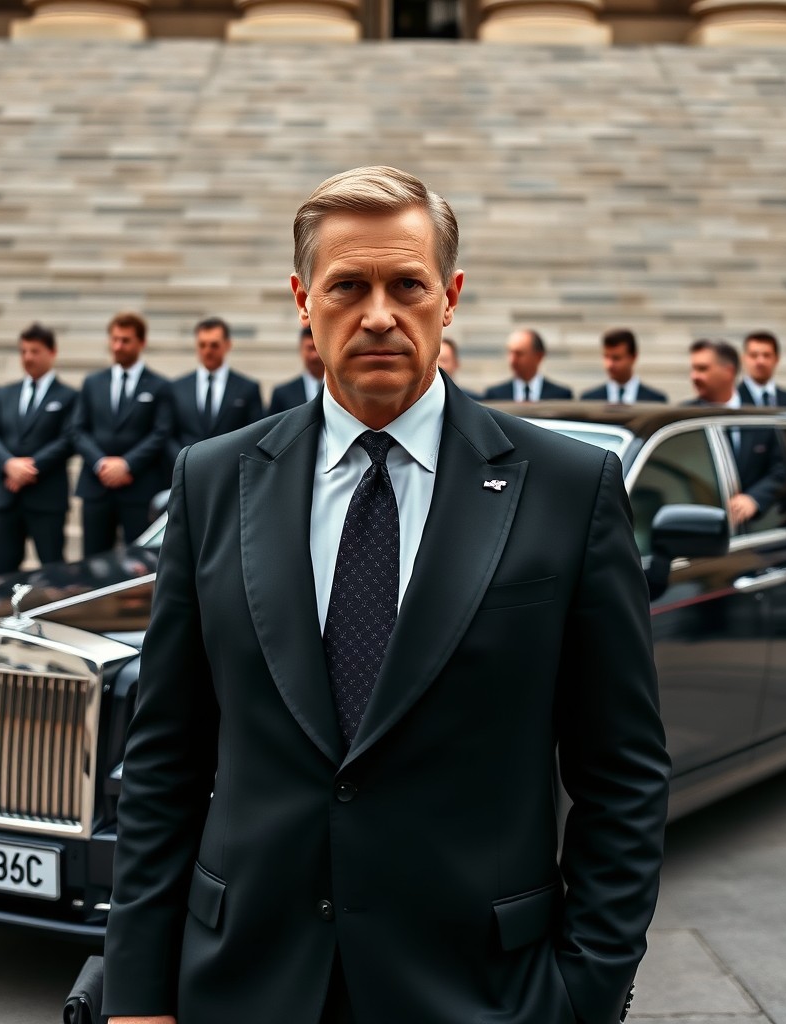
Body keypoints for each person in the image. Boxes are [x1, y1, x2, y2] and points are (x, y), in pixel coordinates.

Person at [103, 166, 670, 1024]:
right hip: (245, 982)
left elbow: (623, 773)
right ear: (303, 299)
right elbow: (164, 761)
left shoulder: (567, 486)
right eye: (347, 286)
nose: (378, 314)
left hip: (483, 993)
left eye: (407, 284)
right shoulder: (213, 480)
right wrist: (137, 996)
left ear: (450, 298)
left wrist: (582, 997)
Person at [685, 338, 786, 525]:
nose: (694, 376)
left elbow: (785, 468)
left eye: (702, 369)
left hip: (757, 530)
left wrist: (754, 499)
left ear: (728, 371)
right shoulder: (684, 420)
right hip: (696, 527)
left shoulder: (760, 418)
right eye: (693, 369)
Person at [71, 312, 173, 557]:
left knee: (139, 562)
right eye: (114, 339)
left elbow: (161, 432)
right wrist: (101, 463)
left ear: (141, 342)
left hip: (138, 488)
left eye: (125, 340)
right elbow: (77, 430)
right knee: (93, 561)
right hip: (97, 486)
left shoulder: (159, 386)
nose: (118, 346)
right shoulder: (92, 383)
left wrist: (127, 465)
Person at [0, 323, 78, 573]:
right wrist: (9, 464)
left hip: (46, 496)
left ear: (52, 352)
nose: (28, 357)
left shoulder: (69, 396)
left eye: (34, 351)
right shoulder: (4, 394)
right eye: (23, 351)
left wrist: (29, 468)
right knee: (1, 571)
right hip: (4, 496)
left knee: (53, 569)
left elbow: (69, 439)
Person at [166, 317, 265, 464]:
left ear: (227, 345)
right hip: (187, 472)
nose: (207, 351)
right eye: (202, 345)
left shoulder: (247, 388)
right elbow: (167, 434)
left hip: (230, 471)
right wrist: (183, 462)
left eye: (214, 345)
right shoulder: (177, 388)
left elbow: (256, 433)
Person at [482, 328, 572, 402]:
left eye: (519, 354)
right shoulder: (495, 396)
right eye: (510, 353)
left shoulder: (560, 396)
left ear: (538, 356)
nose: (512, 360)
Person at [579, 329, 667, 403]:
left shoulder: (655, 400)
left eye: (616, 358)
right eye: (606, 357)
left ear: (633, 357)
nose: (609, 364)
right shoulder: (589, 399)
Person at [737, 331, 786, 408]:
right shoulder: (733, 399)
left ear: (777, 359)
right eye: (754, 355)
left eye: (766, 355)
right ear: (743, 359)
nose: (760, 361)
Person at [268, 325, 325, 414]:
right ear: (301, 349)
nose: (315, 355)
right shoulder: (282, 394)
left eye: (318, 348)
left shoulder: (342, 391)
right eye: (310, 348)